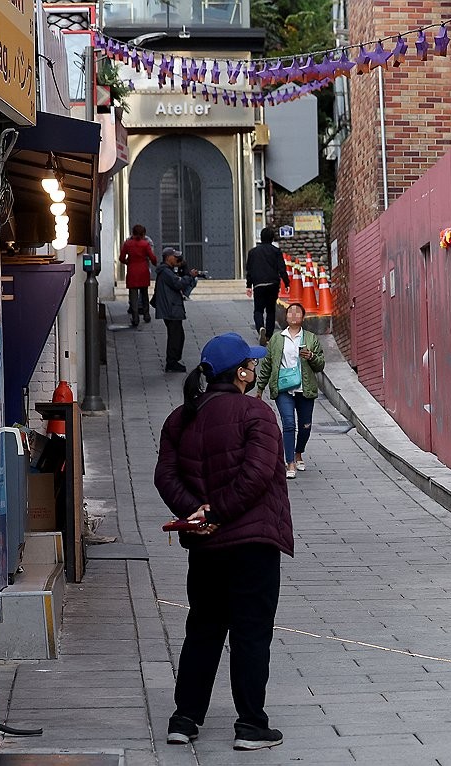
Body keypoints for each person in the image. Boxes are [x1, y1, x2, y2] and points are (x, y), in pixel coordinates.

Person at [154, 332, 292, 752]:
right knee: (251, 632)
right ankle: (251, 725)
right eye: (250, 365)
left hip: (207, 546)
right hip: (252, 542)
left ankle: (184, 719)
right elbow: (257, 475)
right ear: (242, 373)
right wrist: (214, 512)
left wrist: (197, 512)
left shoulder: (181, 418)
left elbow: (166, 476)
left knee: (203, 628)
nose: (253, 370)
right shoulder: (257, 413)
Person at [255, 302, 325, 479]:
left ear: (303, 317)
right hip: (283, 387)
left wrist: (311, 356)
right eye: (290, 313)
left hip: (305, 388)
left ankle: (298, 452)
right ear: (286, 317)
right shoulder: (277, 339)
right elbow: (267, 365)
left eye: (297, 313)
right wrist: (260, 387)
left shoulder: (310, 338)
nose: (293, 316)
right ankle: (290, 462)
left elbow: (320, 365)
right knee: (288, 423)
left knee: (305, 426)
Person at [153, 247, 200, 372]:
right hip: (171, 308)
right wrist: (190, 276)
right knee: (175, 336)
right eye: (175, 257)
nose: (177, 258)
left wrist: (183, 267)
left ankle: (174, 360)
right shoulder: (166, 272)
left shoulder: (166, 271)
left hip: (171, 307)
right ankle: (172, 362)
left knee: (178, 335)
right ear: (168, 258)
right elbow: (178, 284)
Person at [245, 227, 290, 346]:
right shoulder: (276, 251)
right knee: (270, 310)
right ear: (272, 238)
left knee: (258, 309)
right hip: (272, 284)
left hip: (258, 284)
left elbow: (249, 270)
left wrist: (249, 285)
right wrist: (287, 282)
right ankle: (269, 336)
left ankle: (260, 328)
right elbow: (281, 268)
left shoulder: (252, 252)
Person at [120, 224, 157, 326]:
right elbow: (152, 258)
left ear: (133, 232)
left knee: (133, 296)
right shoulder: (145, 244)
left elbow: (121, 258)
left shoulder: (128, 244)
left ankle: (135, 317)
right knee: (144, 294)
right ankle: (146, 314)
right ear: (143, 233)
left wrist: (127, 262)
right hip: (143, 271)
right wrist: (154, 263)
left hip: (132, 271)